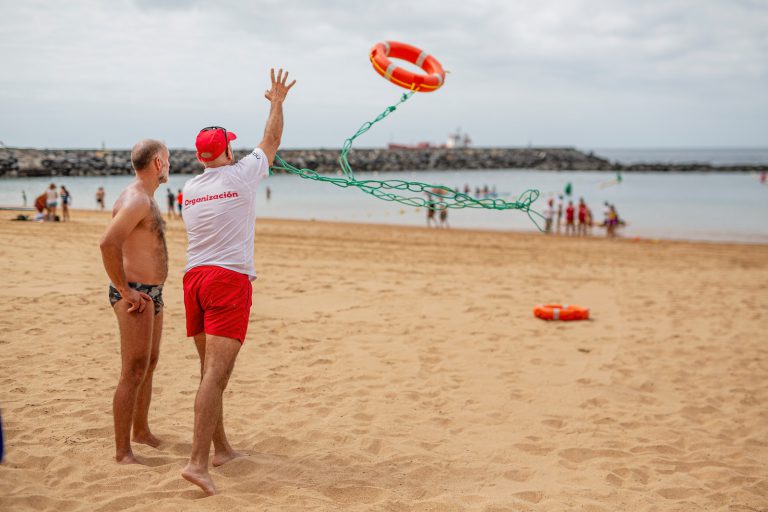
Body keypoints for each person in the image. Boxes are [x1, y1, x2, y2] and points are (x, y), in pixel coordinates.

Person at [180, 68, 296, 496]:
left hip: (194, 278)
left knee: (209, 372)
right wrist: (277, 103)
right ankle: (197, 462)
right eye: (231, 145)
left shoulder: (190, 188)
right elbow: (272, 142)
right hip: (227, 281)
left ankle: (222, 449)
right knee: (215, 375)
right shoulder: (242, 174)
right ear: (228, 152)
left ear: (200, 158)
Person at [98, 139, 170, 464]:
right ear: (157, 162)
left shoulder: (147, 197)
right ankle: (122, 450)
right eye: (166, 160)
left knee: (149, 363)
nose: (168, 165)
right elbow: (107, 242)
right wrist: (125, 290)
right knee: (133, 369)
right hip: (135, 294)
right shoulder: (137, 199)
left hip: (152, 293)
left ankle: (141, 431)